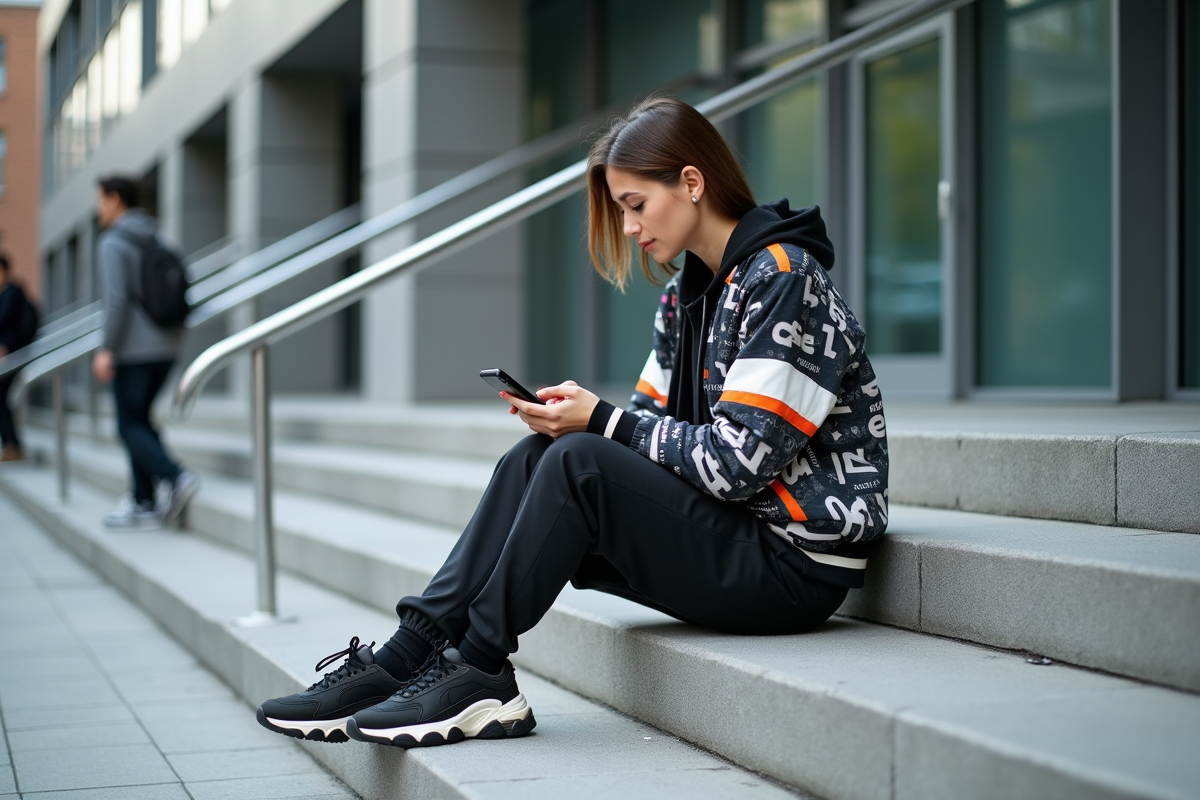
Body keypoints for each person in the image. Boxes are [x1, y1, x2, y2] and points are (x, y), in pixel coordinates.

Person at [256, 97, 889, 749]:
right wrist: (575, 420)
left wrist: (601, 424)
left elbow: (734, 466)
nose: (630, 226)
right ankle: (402, 659)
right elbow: (645, 429)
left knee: (580, 460)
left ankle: (479, 670)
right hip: (731, 535)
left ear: (692, 183)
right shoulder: (688, 293)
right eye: (621, 209)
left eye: (636, 204)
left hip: (792, 566)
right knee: (541, 454)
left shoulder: (785, 280)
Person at [93, 175, 198, 529]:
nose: (98, 209)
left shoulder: (113, 242)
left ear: (115, 200)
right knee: (138, 420)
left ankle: (176, 476)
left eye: (101, 200)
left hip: (134, 349)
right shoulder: (156, 235)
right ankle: (143, 500)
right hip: (168, 344)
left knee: (128, 424)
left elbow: (117, 301)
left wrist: (107, 348)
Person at [0, 253, 30, 462]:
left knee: (2, 399)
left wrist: (6, 347)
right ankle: (11, 445)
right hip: (8, 354)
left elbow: (5, 322)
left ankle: (13, 445)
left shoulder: (12, 292)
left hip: (10, 354)